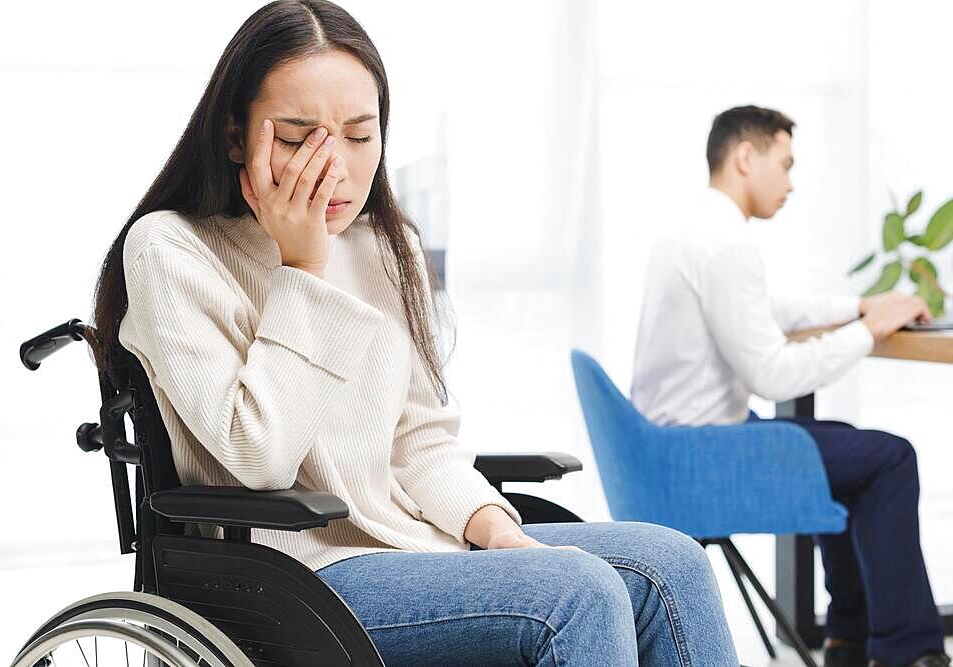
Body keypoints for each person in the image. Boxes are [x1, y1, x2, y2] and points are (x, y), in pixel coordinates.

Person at [87, 2, 740, 664]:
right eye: (296, 137)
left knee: (672, 565)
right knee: (578, 593)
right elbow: (259, 458)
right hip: (286, 571)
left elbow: (418, 442)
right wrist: (301, 268)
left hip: (411, 544)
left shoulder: (381, 246)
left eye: (358, 135)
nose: (332, 166)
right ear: (235, 136)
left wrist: (496, 532)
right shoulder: (170, 249)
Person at [631, 104, 949, 667]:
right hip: (706, 455)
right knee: (889, 459)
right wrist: (868, 332)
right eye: (786, 163)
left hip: (671, 447)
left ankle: (849, 639)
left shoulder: (692, 233)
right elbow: (771, 374)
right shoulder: (726, 246)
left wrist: (857, 306)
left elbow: (764, 310)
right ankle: (905, 652)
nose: (792, 182)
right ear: (746, 157)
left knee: (850, 444)